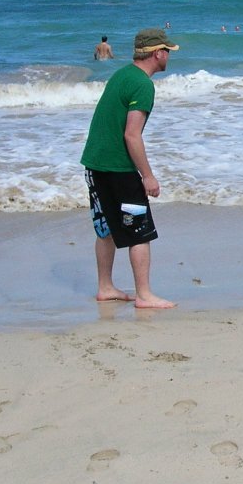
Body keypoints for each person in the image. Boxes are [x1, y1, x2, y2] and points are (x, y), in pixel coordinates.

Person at [80, 28, 179, 309]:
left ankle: (105, 287)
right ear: (158, 53)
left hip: (95, 162)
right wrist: (148, 176)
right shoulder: (142, 84)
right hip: (118, 167)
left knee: (106, 227)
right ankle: (144, 295)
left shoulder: (122, 74)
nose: (169, 57)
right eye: (168, 52)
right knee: (140, 230)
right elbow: (131, 134)